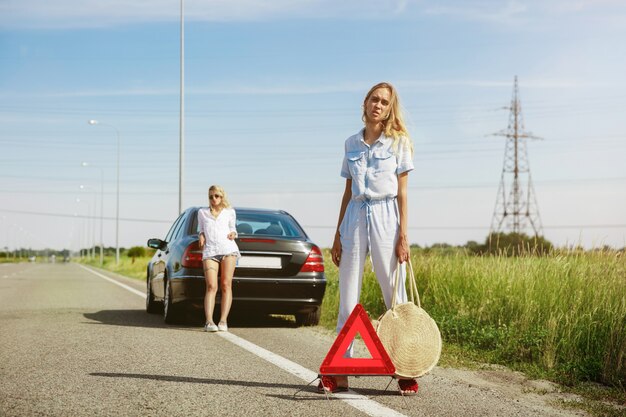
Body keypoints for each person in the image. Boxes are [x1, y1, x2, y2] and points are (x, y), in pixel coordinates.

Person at [319, 82, 418, 396]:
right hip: (355, 217)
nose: (378, 105)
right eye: (374, 99)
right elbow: (347, 192)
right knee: (348, 293)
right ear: (365, 103)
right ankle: (340, 370)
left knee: (394, 291)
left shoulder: (399, 142)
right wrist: (337, 234)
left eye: (384, 102)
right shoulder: (350, 143)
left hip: (387, 216)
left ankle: (405, 369)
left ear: (390, 109)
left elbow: (402, 193)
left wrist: (403, 236)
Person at [197, 185, 240, 332]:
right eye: (211, 196)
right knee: (211, 286)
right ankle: (209, 322)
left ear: (222, 197)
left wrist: (233, 233)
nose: (213, 199)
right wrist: (201, 235)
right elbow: (201, 229)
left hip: (228, 250)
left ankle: (223, 321)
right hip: (210, 251)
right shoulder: (202, 213)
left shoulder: (229, 212)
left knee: (226, 284)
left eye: (216, 196)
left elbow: (233, 228)